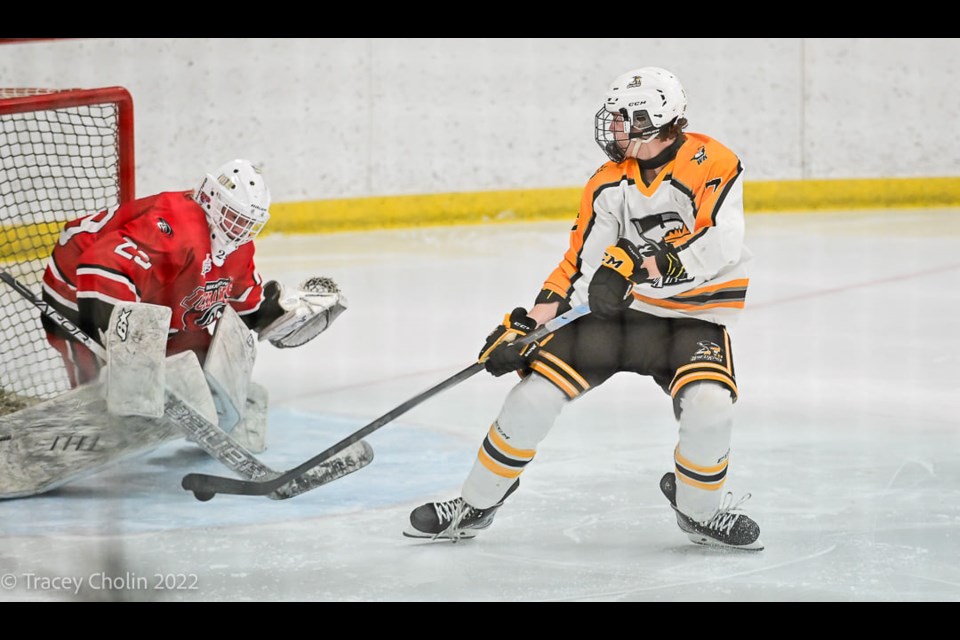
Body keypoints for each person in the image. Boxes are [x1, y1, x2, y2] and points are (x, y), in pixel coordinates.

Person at [404, 67, 762, 550]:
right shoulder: (607, 182)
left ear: (652, 121)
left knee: (711, 406)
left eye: (622, 119)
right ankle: (475, 504)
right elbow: (579, 267)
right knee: (532, 396)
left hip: (689, 317)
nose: (612, 128)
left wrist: (639, 262)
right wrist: (529, 325)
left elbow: (719, 241)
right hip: (617, 319)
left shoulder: (713, 161)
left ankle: (699, 512)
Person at [40, 158, 345, 389]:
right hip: (76, 283)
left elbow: (242, 300)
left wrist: (275, 314)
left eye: (248, 223)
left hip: (151, 294)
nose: (239, 230)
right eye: (233, 217)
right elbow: (100, 266)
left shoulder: (238, 246)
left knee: (199, 369)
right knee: (99, 379)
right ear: (210, 198)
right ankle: (88, 419)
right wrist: (128, 345)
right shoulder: (175, 226)